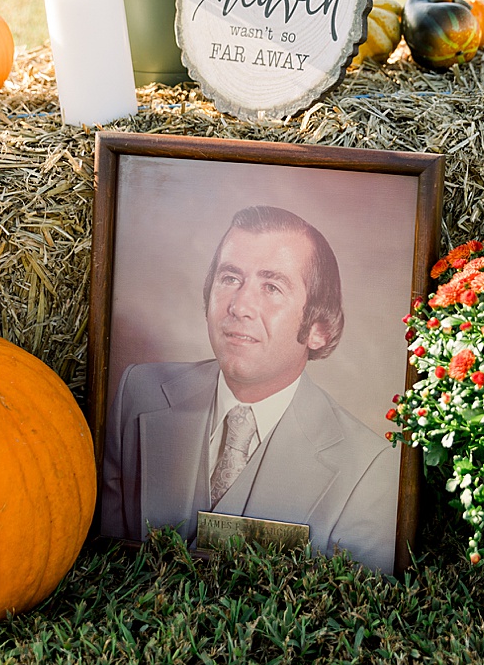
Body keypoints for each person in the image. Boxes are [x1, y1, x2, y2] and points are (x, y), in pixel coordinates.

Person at [101, 204, 400, 574]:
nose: (240, 306)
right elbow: (105, 566)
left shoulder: (366, 469)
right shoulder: (138, 394)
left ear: (318, 327)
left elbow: (355, 615)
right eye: (230, 278)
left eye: (272, 286)